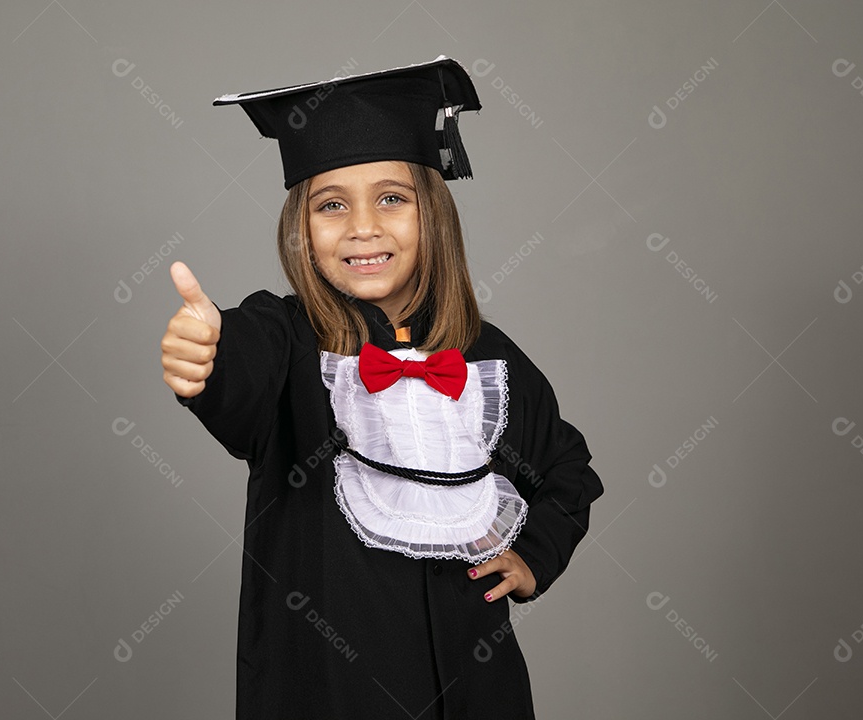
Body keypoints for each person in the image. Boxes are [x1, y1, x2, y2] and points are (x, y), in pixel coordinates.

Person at [160, 56, 604, 720]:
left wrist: (533, 556)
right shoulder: (281, 339)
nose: (363, 226)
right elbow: (238, 378)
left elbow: (567, 466)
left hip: (476, 690)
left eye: (391, 198)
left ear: (433, 215)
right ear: (300, 231)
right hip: (328, 694)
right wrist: (207, 355)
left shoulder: (486, 358)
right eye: (331, 204)